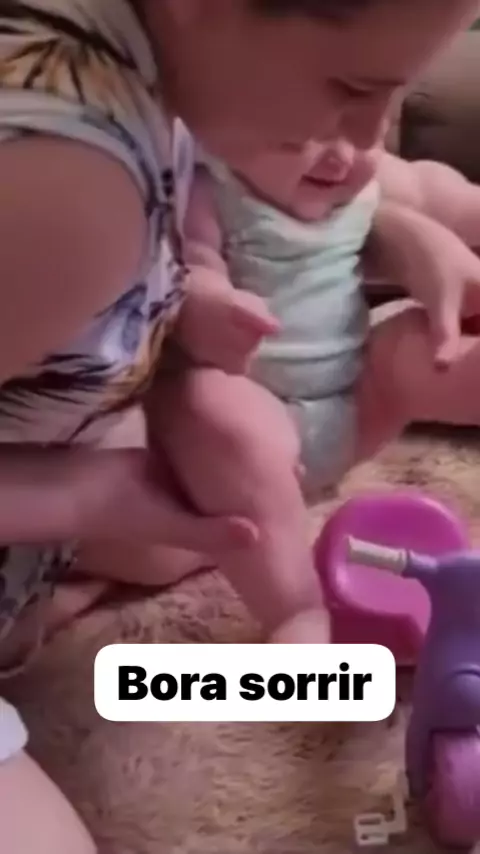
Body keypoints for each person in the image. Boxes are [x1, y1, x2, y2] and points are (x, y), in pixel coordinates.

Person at [0, 0, 478, 850]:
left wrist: (405, 235)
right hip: (120, 464)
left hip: (104, 472)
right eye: (351, 87)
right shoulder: (75, 190)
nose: (368, 137)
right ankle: (284, 622)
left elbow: (341, 200)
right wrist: (80, 495)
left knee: (206, 517)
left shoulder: (158, 84)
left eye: (395, 98)